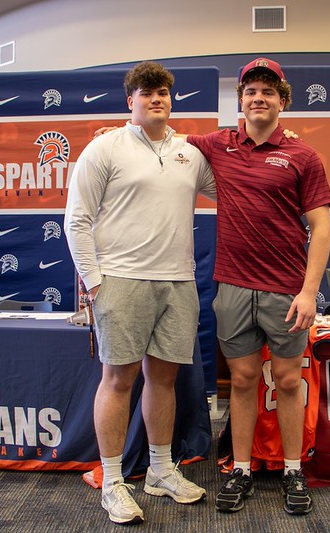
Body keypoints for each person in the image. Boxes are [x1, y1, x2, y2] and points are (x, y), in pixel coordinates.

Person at [64, 61, 215, 525]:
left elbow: (238, 183)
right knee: (118, 381)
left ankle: (161, 471)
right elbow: (77, 220)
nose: (157, 99)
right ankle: (112, 481)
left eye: (164, 93)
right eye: (147, 92)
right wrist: (94, 282)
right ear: (130, 100)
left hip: (178, 281)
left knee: (163, 380)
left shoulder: (191, 152)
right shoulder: (104, 147)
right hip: (121, 281)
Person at [186, 58, 330, 515]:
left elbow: (321, 229)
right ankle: (241, 469)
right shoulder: (220, 144)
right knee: (244, 380)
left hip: (286, 291)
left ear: (282, 101)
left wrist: (309, 292)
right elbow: (166, 140)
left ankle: (293, 470)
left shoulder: (303, 156)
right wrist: (117, 134)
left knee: (288, 381)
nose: (258, 99)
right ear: (241, 101)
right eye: (250, 92)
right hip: (231, 286)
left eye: (268, 92)